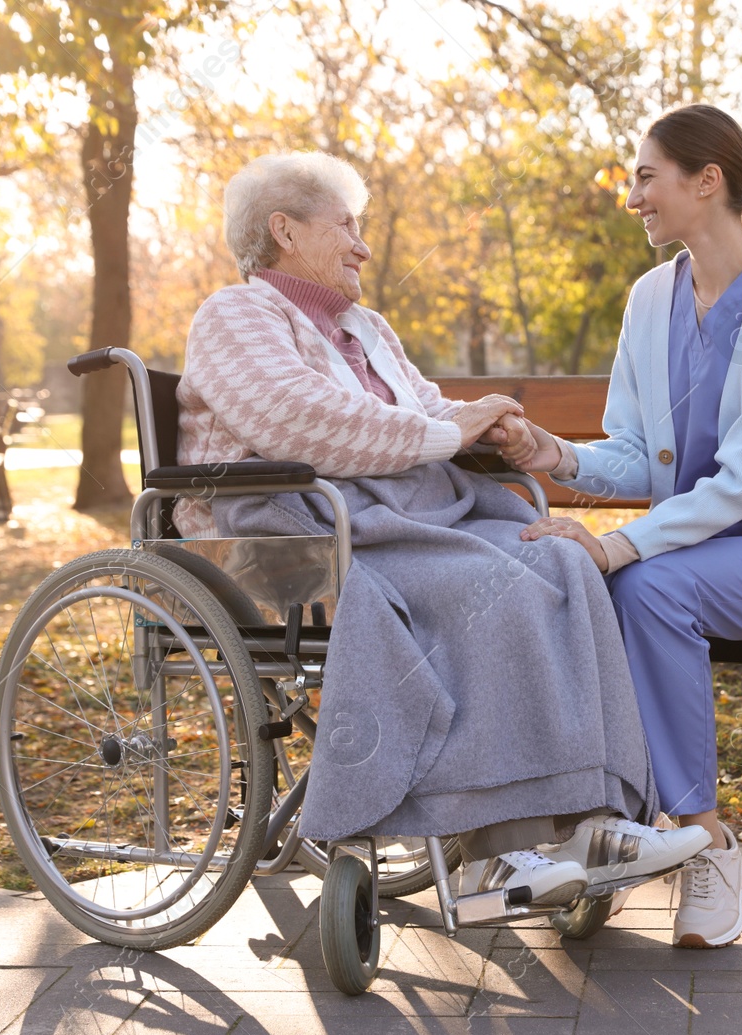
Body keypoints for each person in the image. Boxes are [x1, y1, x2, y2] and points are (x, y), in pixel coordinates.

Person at [175, 150, 710, 908]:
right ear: (284, 230)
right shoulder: (238, 314)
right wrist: (444, 433)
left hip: (401, 516)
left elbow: (427, 412)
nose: (363, 246)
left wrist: (490, 429)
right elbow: (295, 419)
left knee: (565, 564)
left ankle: (596, 822)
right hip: (295, 534)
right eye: (348, 227)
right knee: (487, 589)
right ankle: (496, 858)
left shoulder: (366, 328)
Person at [496, 104, 742, 947]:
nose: (633, 197)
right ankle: (621, 832)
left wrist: (615, 544)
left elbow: (740, 485)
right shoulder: (649, 300)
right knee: (606, 582)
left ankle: (706, 842)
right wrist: (550, 452)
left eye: (646, 177)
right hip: (696, 554)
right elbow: (638, 455)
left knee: (641, 582)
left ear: (706, 182)